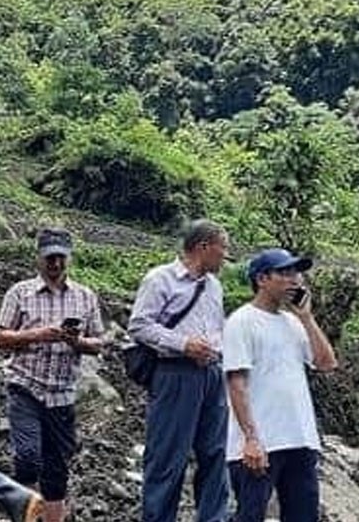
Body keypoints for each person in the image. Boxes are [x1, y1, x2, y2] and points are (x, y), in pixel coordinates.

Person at [0, 228, 106, 522]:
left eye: (60, 257)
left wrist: (77, 342)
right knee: (28, 457)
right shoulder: (20, 292)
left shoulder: (85, 297)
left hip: (63, 392)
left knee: (57, 468)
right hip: (26, 385)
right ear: (39, 259)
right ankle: (26, 515)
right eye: (49, 258)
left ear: (68, 258)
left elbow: (98, 342)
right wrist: (39, 334)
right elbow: (1, 338)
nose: (54, 263)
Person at [128, 219, 232, 522]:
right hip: (175, 372)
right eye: (222, 248)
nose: (225, 256)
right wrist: (183, 344)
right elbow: (139, 325)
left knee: (215, 453)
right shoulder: (160, 279)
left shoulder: (214, 286)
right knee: (168, 456)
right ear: (203, 247)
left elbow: (217, 327)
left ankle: (213, 517)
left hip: (211, 374)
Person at [225, 249, 338, 522]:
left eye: (296, 273)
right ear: (262, 279)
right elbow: (236, 384)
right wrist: (251, 439)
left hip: (299, 439)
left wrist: (307, 318)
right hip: (260, 444)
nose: (295, 280)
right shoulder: (241, 321)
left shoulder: (294, 323)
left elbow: (326, 363)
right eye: (285, 273)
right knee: (250, 515)